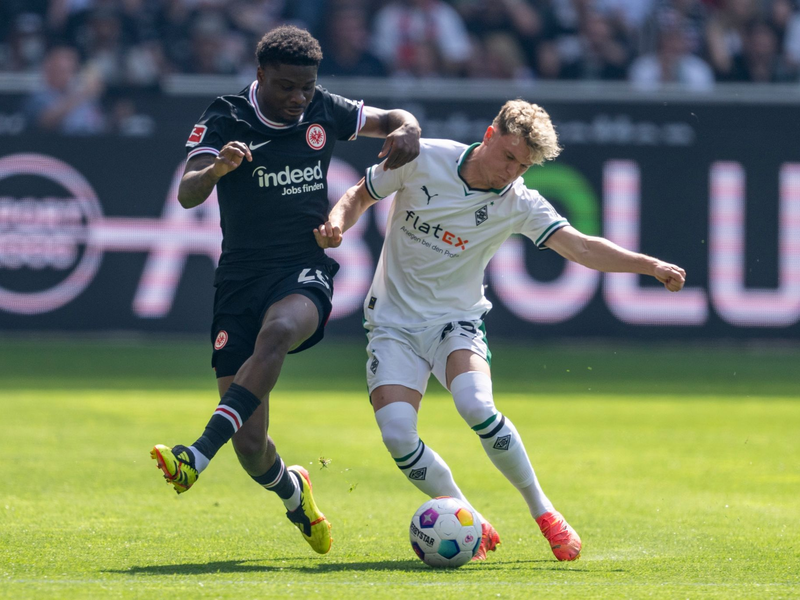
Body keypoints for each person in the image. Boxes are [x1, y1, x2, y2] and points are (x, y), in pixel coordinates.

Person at [314, 99, 686, 561]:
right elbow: (360, 194)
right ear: (489, 135)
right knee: (396, 434)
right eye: (509, 156)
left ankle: (544, 511)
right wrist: (336, 222)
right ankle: (471, 518)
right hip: (391, 324)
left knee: (475, 405)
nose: (512, 171)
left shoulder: (519, 202)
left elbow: (583, 248)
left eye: (523, 165)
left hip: (456, 321)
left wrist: (649, 266)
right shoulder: (424, 158)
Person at [150, 25, 421, 556]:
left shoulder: (324, 108)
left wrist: (408, 126)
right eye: (286, 87)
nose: (299, 99)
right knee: (251, 447)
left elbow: (391, 119)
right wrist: (218, 169)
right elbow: (187, 192)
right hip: (239, 280)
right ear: (260, 76)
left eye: (306, 87)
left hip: (302, 269)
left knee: (277, 332)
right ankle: (295, 494)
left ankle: (197, 455)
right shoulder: (226, 116)